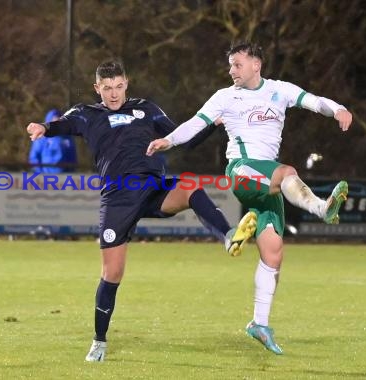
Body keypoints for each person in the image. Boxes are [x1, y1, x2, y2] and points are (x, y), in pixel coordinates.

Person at [26, 59, 257, 362]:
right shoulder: (87, 114)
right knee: (112, 274)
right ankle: (99, 340)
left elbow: (182, 138)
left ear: (126, 83)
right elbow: (63, 124)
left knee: (189, 187)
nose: (113, 93)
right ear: (98, 88)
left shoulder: (146, 109)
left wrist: (213, 125)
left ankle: (228, 236)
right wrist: (43, 127)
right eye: (107, 88)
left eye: (118, 86)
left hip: (152, 188)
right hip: (118, 198)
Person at [146, 42, 353, 355]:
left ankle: (259, 323)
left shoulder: (279, 90)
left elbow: (313, 101)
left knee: (273, 254)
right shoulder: (226, 96)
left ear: (256, 64)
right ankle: (322, 208)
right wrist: (169, 140)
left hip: (267, 184)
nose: (231, 71)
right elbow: (195, 123)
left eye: (237, 64)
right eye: (231, 65)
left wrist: (337, 108)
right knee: (287, 172)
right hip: (242, 172)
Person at [29, 109, 78, 173]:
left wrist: (70, 174)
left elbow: (72, 157)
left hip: (63, 178)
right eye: (53, 122)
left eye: (58, 122)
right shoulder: (41, 138)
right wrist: (40, 173)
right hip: (45, 177)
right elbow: (34, 157)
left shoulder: (67, 138)